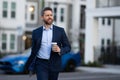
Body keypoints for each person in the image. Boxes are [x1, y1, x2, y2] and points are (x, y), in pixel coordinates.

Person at [25, 7, 71, 80]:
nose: (50, 17)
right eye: (47, 15)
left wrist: (60, 50)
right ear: (42, 17)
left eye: (51, 15)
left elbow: (68, 47)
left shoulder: (60, 31)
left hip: (54, 64)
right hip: (41, 64)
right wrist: (29, 65)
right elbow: (33, 51)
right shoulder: (36, 32)